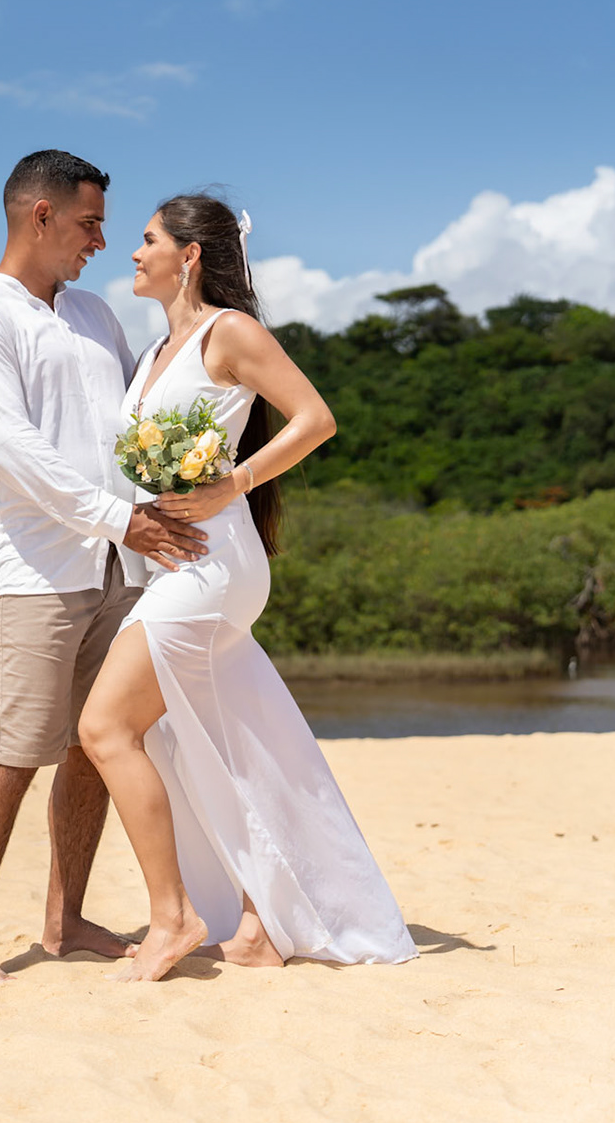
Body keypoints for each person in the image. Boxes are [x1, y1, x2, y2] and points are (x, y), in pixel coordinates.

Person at [78, 192, 418, 981]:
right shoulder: (157, 350)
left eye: (147, 239)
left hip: (213, 565)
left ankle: (173, 918)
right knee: (213, 747)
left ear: (188, 254)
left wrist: (230, 485)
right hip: (176, 565)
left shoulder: (228, 332)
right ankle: (263, 924)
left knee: (105, 729)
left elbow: (315, 418)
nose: (134, 252)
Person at [0, 152, 212, 989]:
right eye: (91, 223)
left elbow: (139, 425)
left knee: (97, 745)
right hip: (37, 571)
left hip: (122, 566)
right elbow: (11, 455)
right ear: (41, 215)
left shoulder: (95, 314)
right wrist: (118, 515)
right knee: (15, 752)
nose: (103, 241)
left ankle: (64, 917)